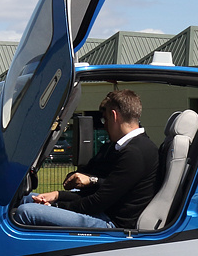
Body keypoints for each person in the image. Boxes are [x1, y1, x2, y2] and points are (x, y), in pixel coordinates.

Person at [15, 90, 158, 229]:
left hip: (112, 224)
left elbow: (98, 201)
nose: (104, 125)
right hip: (101, 212)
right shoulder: (124, 147)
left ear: (114, 116)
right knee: (25, 199)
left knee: (27, 212)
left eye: (105, 119)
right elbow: (97, 193)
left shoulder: (135, 153)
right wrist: (58, 196)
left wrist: (56, 205)